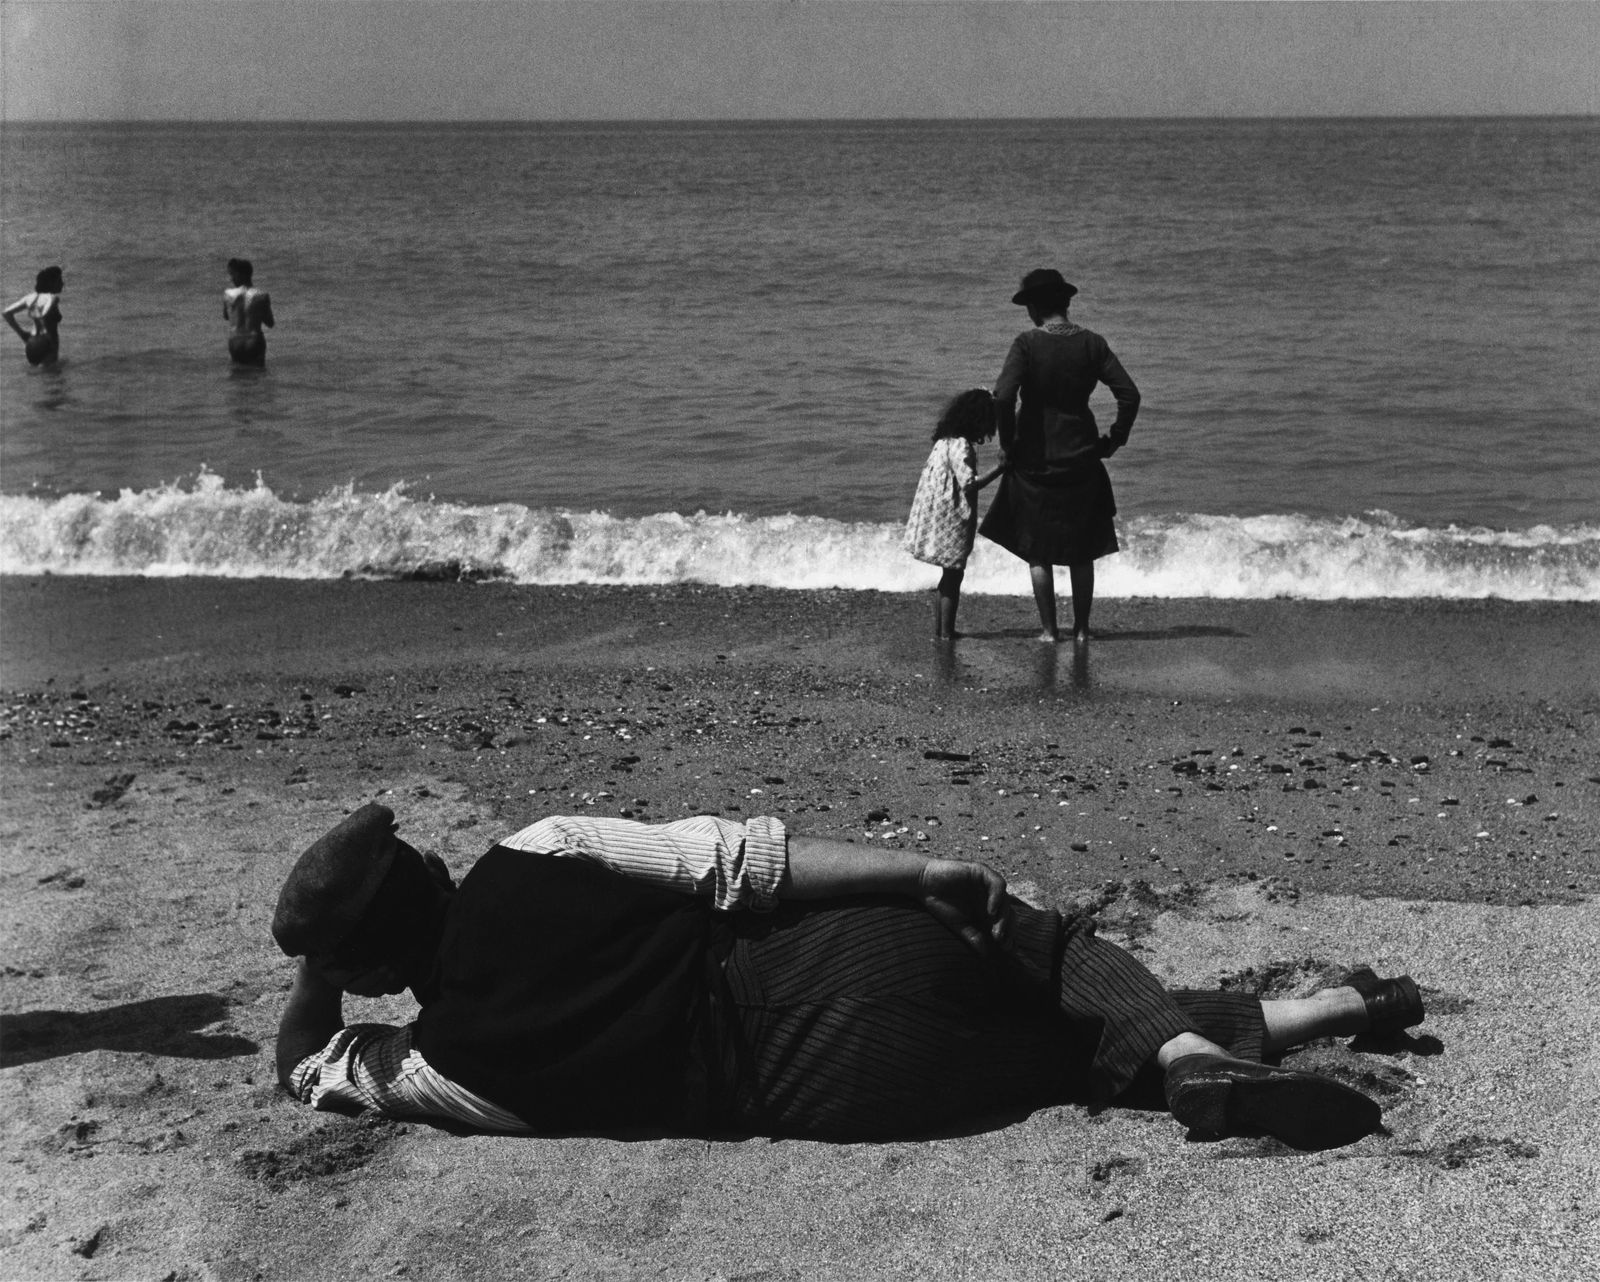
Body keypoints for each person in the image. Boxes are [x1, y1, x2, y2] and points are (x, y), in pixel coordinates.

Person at [272, 803, 1425, 1148]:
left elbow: (307, 1067)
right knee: (1044, 951)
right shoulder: (539, 849)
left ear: (367, 966)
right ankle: (1191, 1045)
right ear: (431, 865)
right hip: (825, 953)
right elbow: (743, 863)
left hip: (832, 1089)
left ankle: (1304, 1016)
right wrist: (924, 867)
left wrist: (322, 977)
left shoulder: (441, 1064)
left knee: (1055, 1062)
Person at [978, 268, 1141, 644]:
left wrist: (1008, 443)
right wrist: (1115, 440)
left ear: (1035, 306)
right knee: (1082, 552)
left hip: (1034, 459)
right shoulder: (1092, 344)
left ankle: (1050, 632)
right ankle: (1082, 630)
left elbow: (1003, 396)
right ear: (1065, 302)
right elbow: (1130, 396)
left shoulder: (1026, 344)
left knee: (1039, 552)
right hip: (1082, 456)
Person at [903, 388, 1006, 640]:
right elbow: (969, 483)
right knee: (953, 576)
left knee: (947, 576)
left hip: (937, 513)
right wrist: (1000, 469)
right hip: (952, 517)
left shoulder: (944, 441)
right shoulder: (961, 446)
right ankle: (947, 632)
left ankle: (941, 630)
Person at [3, 266, 64, 366]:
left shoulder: (29, 298)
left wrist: (22, 334)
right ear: (51, 283)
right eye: (60, 280)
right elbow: (44, 313)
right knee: (52, 377)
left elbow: (6, 313)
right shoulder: (52, 298)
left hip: (31, 343)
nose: (62, 283)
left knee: (37, 374)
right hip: (47, 343)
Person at [223, 258, 274, 366]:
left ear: (242, 275)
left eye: (233, 275)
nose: (231, 279)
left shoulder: (228, 294)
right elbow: (270, 323)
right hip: (254, 341)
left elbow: (226, 316)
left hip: (235, 341)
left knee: (237, 376)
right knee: (257, 376)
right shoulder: (262, 295)